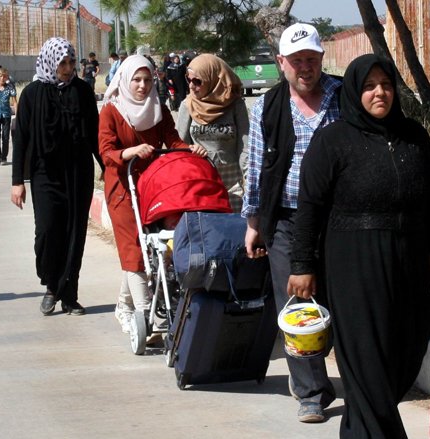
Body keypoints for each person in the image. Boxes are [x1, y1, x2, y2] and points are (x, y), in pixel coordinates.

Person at [286, 53, 430, 436]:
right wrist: (302, 264)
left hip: (408, 260)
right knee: (366, 362)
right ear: (356, 91)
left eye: (387, 85)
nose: (380, 93)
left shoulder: (415, 137)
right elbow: (309, 206)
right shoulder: (333, 140)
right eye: (370, 86)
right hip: (353, 263)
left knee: (405, 355)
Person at [241, 22, 340, 424]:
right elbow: (257, 168)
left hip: (338, 217)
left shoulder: (344, 97)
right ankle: (311, 391)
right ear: (281, 62)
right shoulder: (268, 106)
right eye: (296, 60)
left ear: (321, 60)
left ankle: (356, 376)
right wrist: (254, 222)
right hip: (285, 218)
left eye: (311, 60)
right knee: (297, 308)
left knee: (342, 299)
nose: (305, 67)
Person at [98, 54, 206, 333]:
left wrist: (190, 149)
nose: (142, 86)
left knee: (150, 248)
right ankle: (146, 314)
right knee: (133, 248)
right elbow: (106, 151)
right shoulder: (112, 111)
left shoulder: (157, 109)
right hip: (122, 188)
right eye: (136, 79)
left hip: (153, 187)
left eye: (147, 80)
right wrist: (129, 152)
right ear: (125, 80)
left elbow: (172, 140)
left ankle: (123, 305)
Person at [11, 37, 101, 317]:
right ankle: (51, 285)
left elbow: (95, 135)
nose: (68, 67)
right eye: (63, 62)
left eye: (72, 62)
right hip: (44, 175)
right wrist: (17, 182)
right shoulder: (32, 94)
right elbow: (21, 139)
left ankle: (69, 295)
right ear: (51, 61)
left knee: (75, 233)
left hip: (77, 174)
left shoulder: (83, 92)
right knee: (48, 233)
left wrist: (109, 170)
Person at [177, 53, 249, 212]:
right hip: (200, 178)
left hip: (231, 181)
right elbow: (179, 144)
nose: (191, 86)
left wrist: (250, 177)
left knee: (233, 227)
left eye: (197, 81)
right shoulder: (187, 105)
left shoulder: (235, 105)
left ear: (213, 80)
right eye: (188, 80)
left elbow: (245, 145)